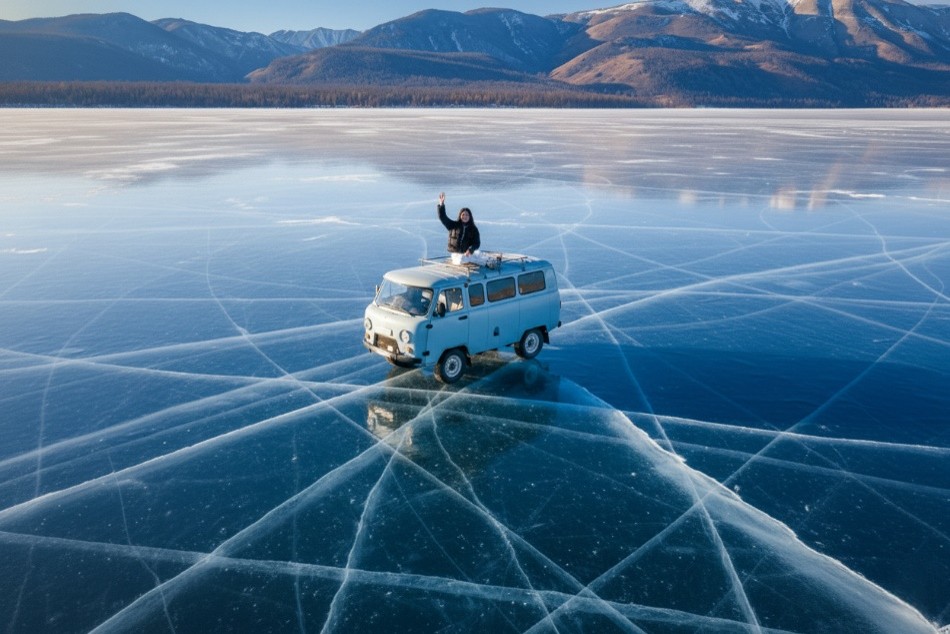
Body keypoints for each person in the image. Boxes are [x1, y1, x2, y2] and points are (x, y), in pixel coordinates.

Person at [437, 192, 484, 265]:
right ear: (460, 215)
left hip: (466, 254)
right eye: (463, 215)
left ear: (470, 217)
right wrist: (441, 205)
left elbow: (476, 243)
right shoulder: (453, 225)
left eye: (467, 215)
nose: (465, 216)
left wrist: (470, 250)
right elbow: (442, 217)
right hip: (456, 255)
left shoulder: (473, 229)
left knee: (479, 260)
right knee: (461, 260)